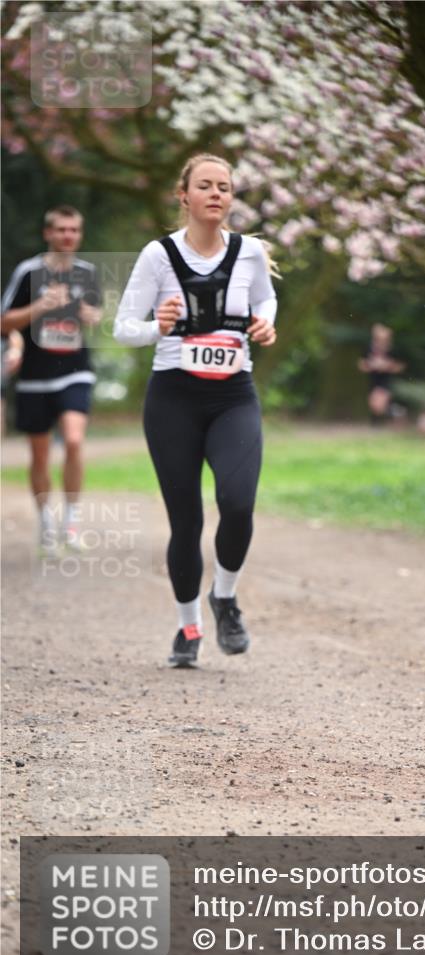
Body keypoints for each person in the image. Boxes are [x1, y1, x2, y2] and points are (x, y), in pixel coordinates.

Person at [114, 153, 278, 668]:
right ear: (183, 195)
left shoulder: (249, 253)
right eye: (205, 185)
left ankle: (224, 597)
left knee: (238, 501)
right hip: (174, 399)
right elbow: (123, 327)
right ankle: (188, 626)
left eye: (224, 187)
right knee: (185, 522)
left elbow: (267, 301)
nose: (216, 194)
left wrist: (264, 324)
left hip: (233, 396)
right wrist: (157, 326)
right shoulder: (158, 255)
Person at [0, 206, 102, 550]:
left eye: (73, 230)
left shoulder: (87, 272)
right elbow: (4, 322)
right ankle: (46, 522)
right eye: (61, 230)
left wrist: (89, 313)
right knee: (40, 455)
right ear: (48, 234)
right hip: (34, 376)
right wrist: (40, 307)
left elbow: (96, 314)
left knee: (74, 440)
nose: (67, 236)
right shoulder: (29, 272)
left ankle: (70, 523)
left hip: (75, 370)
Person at [357, 323, 405, 425]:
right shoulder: (368, 349)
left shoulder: (392, 350)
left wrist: (387, 366)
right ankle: (395, 412)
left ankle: (391, 414)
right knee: (374, 405)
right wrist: (372, 365)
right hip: (373, 379)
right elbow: (361, 365)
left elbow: (400, 367)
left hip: (386, 380)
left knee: (379, 405)